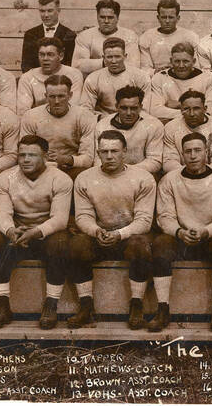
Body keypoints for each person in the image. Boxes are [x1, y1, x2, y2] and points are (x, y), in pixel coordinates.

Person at [69, 130, 156, 329]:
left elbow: (144, 220)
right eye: (104, 151)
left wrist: (119, 234)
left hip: (128, 235)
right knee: (77, 244)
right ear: (98, 153)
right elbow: (83, 216)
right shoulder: (85, 178)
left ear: (124, 151)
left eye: (114, 151)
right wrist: (95, 231)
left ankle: (136, 304)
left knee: (140, 244)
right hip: (100, 236)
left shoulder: (143, 178)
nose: (109, 156)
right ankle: (85, 306)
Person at [0, 135, 73, 329]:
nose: (25, 160)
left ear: (45, 156)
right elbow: (1, 213)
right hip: (17, 232)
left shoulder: (60, 179)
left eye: (32, 155)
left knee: (60, 242)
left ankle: (51, 304)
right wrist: (10, 230)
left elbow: (59, 219)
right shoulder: (5, 178)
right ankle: (2, 306)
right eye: (22, 154)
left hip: (45, 233)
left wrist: (36, 232)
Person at [152, 133, 212, 332]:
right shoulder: (170, 180)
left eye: (198, 150)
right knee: (161, 244)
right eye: (188, 151)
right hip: (180, 237)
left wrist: (205, 232)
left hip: (209, 236)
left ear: (206, 152)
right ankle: (162, 308)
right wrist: (179, 232)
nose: (193, 156)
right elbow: (165, 217)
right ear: (182, 155)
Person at [19, 75, 96, 180]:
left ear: (70, 95)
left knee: (84, 176)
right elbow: (24, 150)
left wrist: (66, 159)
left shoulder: (84, 116)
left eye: (61, 96)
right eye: (52, 96)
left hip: (71, 167)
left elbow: (88, 159)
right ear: (46, 96)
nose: (56, 101)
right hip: (40, 166)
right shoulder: (31, 116)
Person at [93, 86, 164, 175]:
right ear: (116, 107)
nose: (129, 113)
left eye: (134, 108)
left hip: (140, 174)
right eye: (124, 108)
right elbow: (98, 159)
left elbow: (154, 161)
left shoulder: (154, 125)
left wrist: (125, 171)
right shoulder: (103, 125)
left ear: (141, 107)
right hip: (109, 173)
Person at [147, 42, 212, 123]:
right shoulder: (159, 77)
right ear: (171, 61)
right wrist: (195, 110)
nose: (181, 65)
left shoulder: (208, 77)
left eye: (185, 61)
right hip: (171, 125)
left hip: (200, 124)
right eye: (177, 61)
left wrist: (179, 105)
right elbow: (155, 110)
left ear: (193, 61)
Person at [80, 37, 151, 118]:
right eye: (109, 57)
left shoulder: (141, 77)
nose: (113, 61)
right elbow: (85, 109)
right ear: (103, 58)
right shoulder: (93, 78)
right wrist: (102, 118)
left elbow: (144, 109)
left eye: (117, 56)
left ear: (125, 56)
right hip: (104, 121)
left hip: (133, 119)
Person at [162, 90, 212, 173]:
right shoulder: (171, 127)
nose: (191, 114)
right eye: (186, 109)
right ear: (181, 110)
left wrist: (203, 174)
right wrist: (187, 174)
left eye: (196, 108)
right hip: (181, 174)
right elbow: (169, 160)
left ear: (205, 109)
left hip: (211, 174)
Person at [73, 0, 140, 76]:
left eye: (110, 17)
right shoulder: (85, 36)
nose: (106, 21)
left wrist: (98, 63)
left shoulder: (129, 35)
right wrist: (104, 62)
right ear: (97, 17)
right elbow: (77, 65)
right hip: (94, 81)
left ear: (117, 18)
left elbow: (133, 65)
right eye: (102, 17)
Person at [16, 37, 83, 114]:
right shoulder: (27, 77)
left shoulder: (74, 74)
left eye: (50, 55)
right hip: (38, 121)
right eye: (41, 55)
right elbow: (23, 110)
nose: (45, 59)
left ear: (61, 56)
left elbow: (73, 107)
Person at [138, 0, 199, 76]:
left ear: (178, 18)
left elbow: (196, 66)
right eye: (164, 17)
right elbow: (144, 69)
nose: (167, 21)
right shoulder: (147, 37)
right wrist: (155, 71)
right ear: (158, 18)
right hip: (158, 78)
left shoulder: (190, 36)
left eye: (171, 17)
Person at [21, 0, 76, 73]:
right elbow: (26, 65)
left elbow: (69, 64)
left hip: (59, 81)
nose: (46, 15)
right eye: (42, 11)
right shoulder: (30, 34)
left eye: (50, 11)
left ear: (58, 10)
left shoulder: (69, 34)